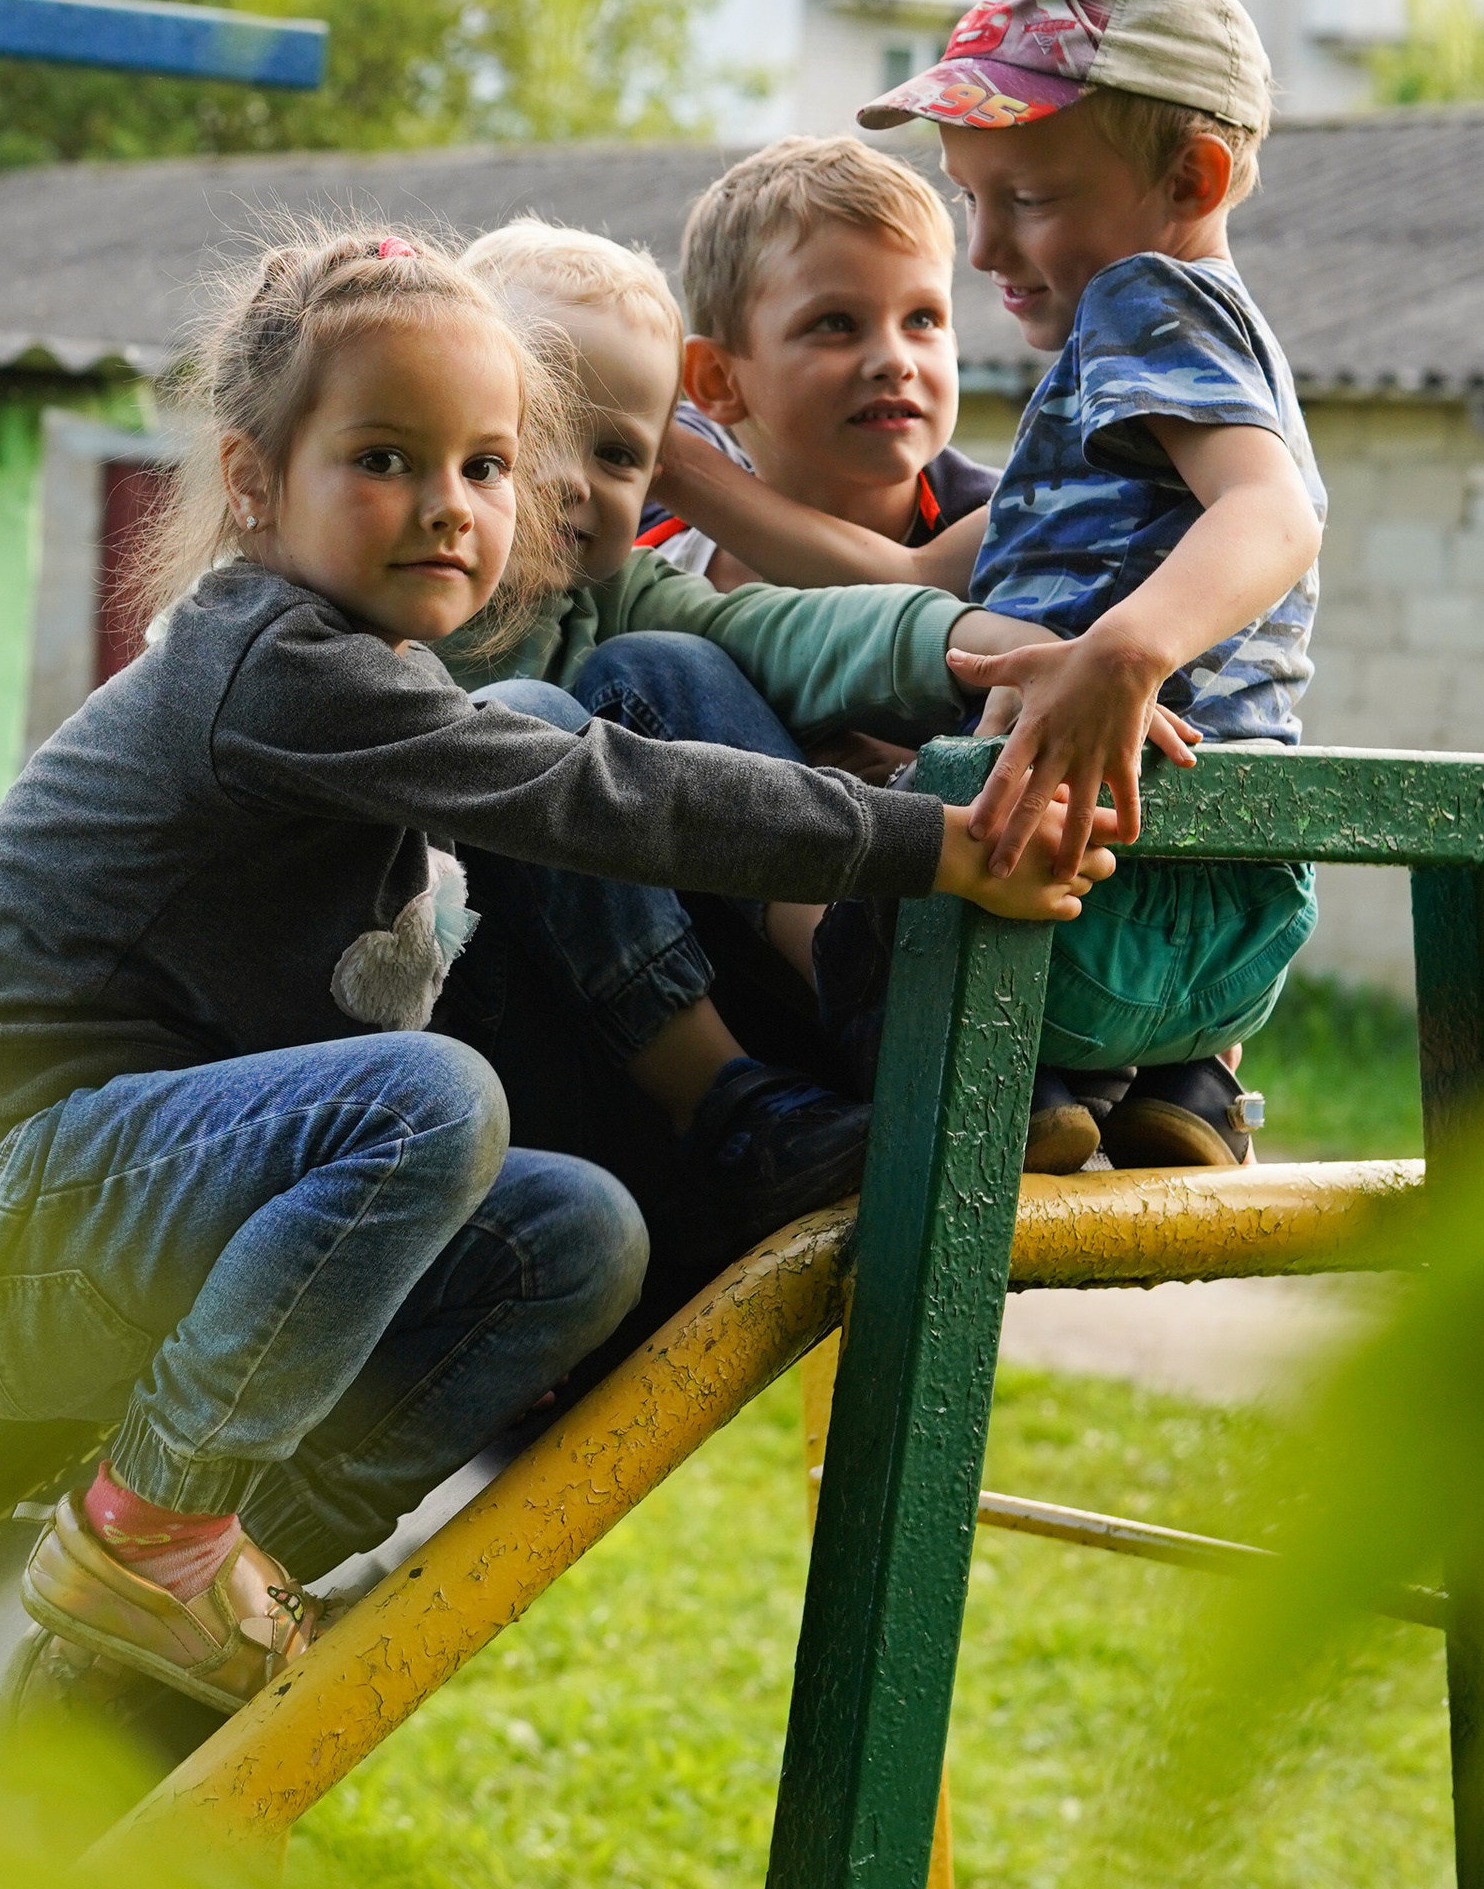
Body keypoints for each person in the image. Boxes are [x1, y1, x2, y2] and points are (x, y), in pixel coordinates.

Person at [0, 226, 1114, 1717]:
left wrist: (966, 655)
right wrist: (931, 844)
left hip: (139, 1207)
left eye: (485, 466)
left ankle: (211, 1593)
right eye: (383, 460)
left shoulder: (385, 673)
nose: (446, 506)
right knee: (431, 1100)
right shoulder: (273, 665)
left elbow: (707, 683)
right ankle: (152, 1533)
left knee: (576, 1235)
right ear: (254, 481)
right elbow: (601, 792)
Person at [430, 217, 1055, 1273]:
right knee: (527, 726)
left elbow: (783, 629)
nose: (578, 482)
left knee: (677, 662)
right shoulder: (371, 604)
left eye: (619, 455)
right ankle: (723, 1105)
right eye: (539, 437)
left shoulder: (611, 591)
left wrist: (978, 648)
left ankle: (881, 1010)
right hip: (473, 1023)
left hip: (616, 990)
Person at [809, 0, 1325, 1173]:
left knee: (855, 893)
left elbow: (1275, 514)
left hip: (1080, 853)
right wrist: (693, 479)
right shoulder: (1154, 404)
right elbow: (914, 578)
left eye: (1027, 200)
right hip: (1235, 898)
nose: (984, 248)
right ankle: (1178, 1086)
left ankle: (1015, 1089)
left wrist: (1122, 653)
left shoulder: (1144, 298)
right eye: (969, 198)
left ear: (1192, 178)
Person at [639, 139, 1001, 595]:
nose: (895, 361)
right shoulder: (637, 565)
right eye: (836, 324)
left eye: (922, 320)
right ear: (718, 381)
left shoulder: (1021, 526)